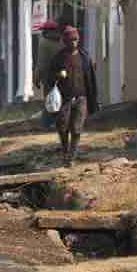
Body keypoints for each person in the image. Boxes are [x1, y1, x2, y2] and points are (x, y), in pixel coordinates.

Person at [44, 25, 99, 166]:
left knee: (76, 128)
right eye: (70, 40)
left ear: (78, 40)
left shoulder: (85, 57)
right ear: (65, 41)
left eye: (75, 39)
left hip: (82, 98)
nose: (73, 42)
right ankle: (65, 151)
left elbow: (91, 80)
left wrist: (93, 100)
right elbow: (49, 78)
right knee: (62, 127)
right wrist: (58, 75)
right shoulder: (58, 58)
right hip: (64, 99)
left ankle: (71, 158)